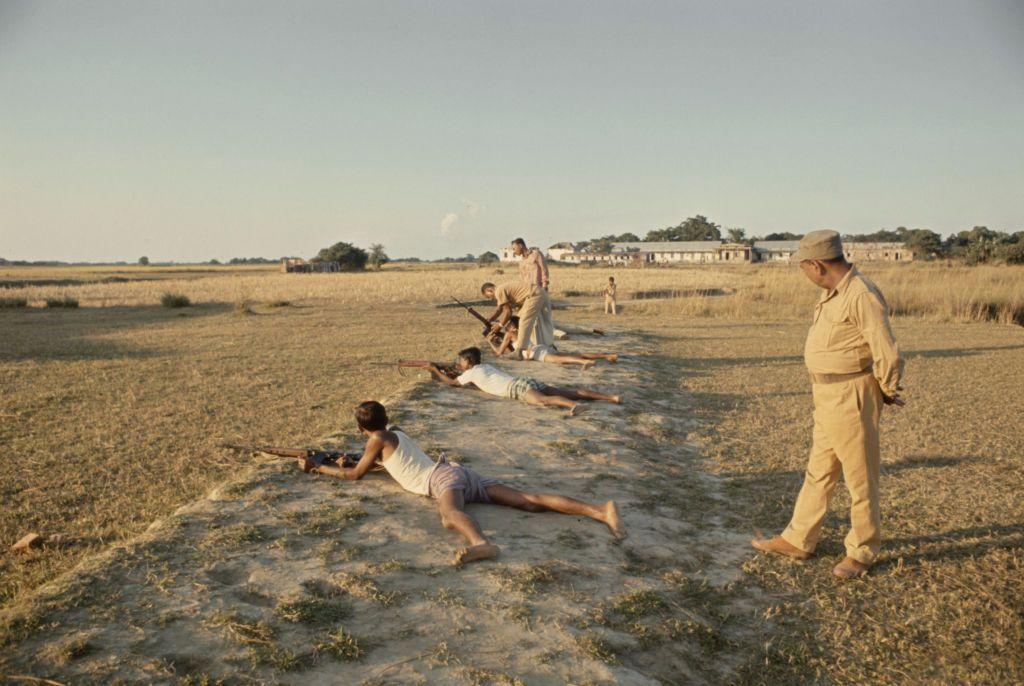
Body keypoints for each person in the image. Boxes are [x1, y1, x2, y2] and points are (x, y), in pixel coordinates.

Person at [298, 400, 626, 566]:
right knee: (527, 499)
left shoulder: (377, 438)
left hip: (440, 479)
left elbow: (356, 476)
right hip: (456, 472)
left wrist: (317, 468)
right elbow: (388, 464)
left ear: (360, 430)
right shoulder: (394, 432)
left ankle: (482, 543)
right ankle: (600, 511)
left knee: (449, 515)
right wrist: (346, 460)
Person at [751, 230, 904, 580]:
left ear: (817, 265)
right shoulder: (834, 293)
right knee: (819, 471)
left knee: (859, 478)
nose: (805, 275)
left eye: (804, 268)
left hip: (851, 393)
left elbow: (886, 350)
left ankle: (862, 551)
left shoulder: (861, 295)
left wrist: (887, 389)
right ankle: (798, 539)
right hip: (827, 395)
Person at [406, 346, 620, 415]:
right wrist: (445, 369)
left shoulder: (470, 373)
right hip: (524, 380)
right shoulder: (483, 367)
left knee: (543, 401)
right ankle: (610, 397)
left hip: (516, 388)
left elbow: (452, 383)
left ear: (468, 361)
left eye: (461, 361)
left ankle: (574, 406)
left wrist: (434, 369)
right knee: (567, 390)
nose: (458, 363)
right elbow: (465, 378)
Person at [488, 316, 618, 369]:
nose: (504, 327)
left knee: (561, 360)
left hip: (536, 353)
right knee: (576, 353)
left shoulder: (509, 334)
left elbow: (499, 353)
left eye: (506, 325)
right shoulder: (522, 330)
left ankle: (585, 362)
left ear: (511, 326)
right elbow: (513, 351)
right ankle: (607, 356)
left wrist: (490, 343)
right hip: (540, 348)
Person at [481, 281, 555, 354]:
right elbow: (499, 310)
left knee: (523, 321)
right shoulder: (502, 288)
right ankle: (549, 345)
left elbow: (508, 312)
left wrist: (500, 325)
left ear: (489, 290)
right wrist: (490, 320)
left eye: (488, 296)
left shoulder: (498, 291)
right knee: (543, 321)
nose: (491, 299)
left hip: (533, 295)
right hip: (541, 292)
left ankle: (520, 350)